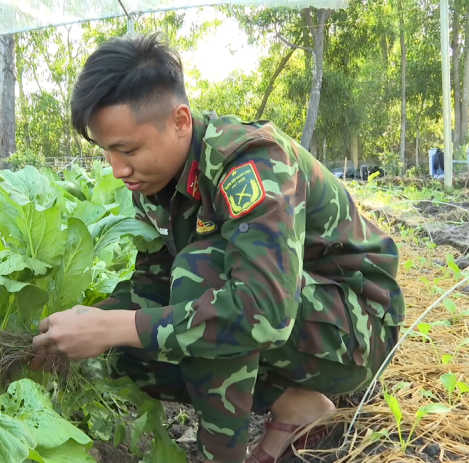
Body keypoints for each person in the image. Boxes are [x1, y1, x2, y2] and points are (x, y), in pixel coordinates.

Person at [28, 34, 404, 463]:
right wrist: (76, 329)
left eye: (127, 149)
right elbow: (151, 289)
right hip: (297, 321)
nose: (118, 170)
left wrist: (114, 326)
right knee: (125, 350)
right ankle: (291, 404)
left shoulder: (252, 164)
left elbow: (263, 313)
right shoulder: (153, 184)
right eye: (107, 152)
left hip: (356, 327)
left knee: (199, 274)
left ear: (181, 121)